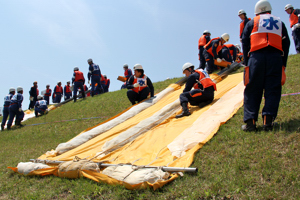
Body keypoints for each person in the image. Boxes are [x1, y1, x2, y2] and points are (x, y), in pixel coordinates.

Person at [241, 0, 290, 131]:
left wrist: (247, 64)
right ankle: (268, 121)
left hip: (255, 57)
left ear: (257, 11)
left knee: (252, 89)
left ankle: (250, 123)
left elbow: (245, 43)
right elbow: (286, 43)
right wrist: (283, 65)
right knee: (273, 89)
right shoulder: (280, 23)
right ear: (270, 10)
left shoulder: (252, 22)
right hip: (275, 57)